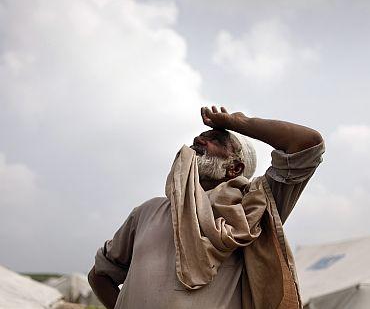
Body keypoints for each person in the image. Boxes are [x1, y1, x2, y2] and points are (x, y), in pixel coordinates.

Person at [88, 106, 324, 309]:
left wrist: (235, 122)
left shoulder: (254, 208)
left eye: (215, 139)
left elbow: (307, 144)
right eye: (199, 137)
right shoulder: (148, 211)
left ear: (235, 168)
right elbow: (99, 275)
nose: (198, 142)